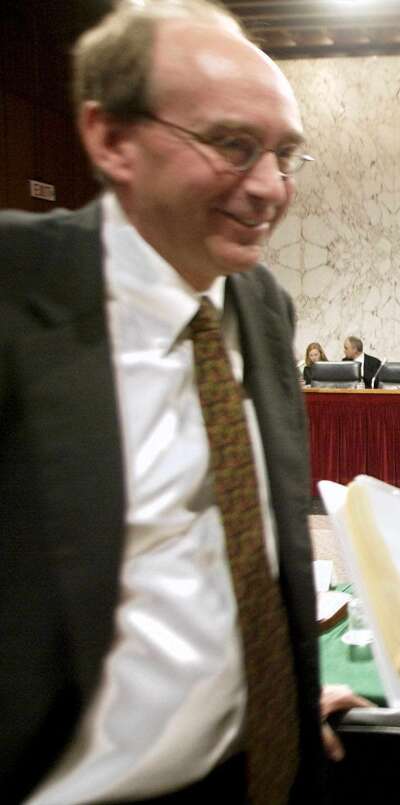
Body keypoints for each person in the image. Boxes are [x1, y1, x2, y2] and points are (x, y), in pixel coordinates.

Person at [0, 0, 339, 801]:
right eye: (233, 145)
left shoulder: (262, 306)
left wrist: (288, 704)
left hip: (257, 772)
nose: (269, 189)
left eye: (286, 154)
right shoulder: (15, 291)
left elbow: (262, 547)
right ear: (111, 138)